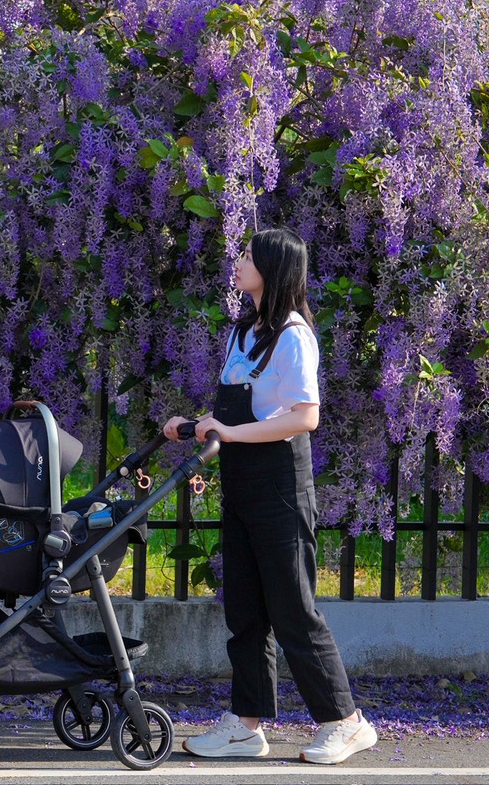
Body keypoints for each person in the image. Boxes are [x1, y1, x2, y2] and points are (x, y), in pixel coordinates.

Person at [162, 228, 378, 765]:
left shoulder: (294, 336)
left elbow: (305, 416)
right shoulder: (244, 331)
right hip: (241, 481)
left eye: (247, 257)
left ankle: (346, 721)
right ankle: (246, 724)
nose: (237, 262)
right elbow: (243, 408)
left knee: (292, 608)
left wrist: (230, 432)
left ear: (273, 269)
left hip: (280, 484)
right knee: (245, 609)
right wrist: (195, 425)